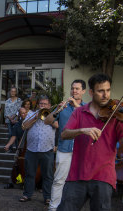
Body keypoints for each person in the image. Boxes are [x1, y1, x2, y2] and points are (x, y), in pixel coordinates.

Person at [58, 73, 123, 211]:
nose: (106, 95)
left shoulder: (116, 116)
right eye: (101, 91)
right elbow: (64, 134)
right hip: (77, 174)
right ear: (91, 92)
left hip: (103, 176)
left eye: (108, 90)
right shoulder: (80, 112)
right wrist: (82, 130)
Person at [44, 79, 86, 211]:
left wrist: (76, 106)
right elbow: (47, 121)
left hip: (81, 150)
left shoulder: (86, 108)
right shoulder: (64, 107)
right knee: (59, 180)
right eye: (73, 88)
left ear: (83, 91)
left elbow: (90, 121)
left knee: (79, 182)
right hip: (64, 149)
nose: (74, 91)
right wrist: (57, 110)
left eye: (77, 89)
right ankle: (53, 207)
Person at [19, 95, 58, 205]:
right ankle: (27, 194)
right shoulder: (31, 114)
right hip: (32, 149)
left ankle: (47, 197)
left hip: (47, 149)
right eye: (41, 104)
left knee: (48, 175)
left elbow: (57, 125)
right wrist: (36, 117)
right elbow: (24, 126)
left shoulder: (53, 114)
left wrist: (47, 116)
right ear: (38, 105)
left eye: (45, 104)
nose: (43, 106)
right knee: (29, 173)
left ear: (49, 106)